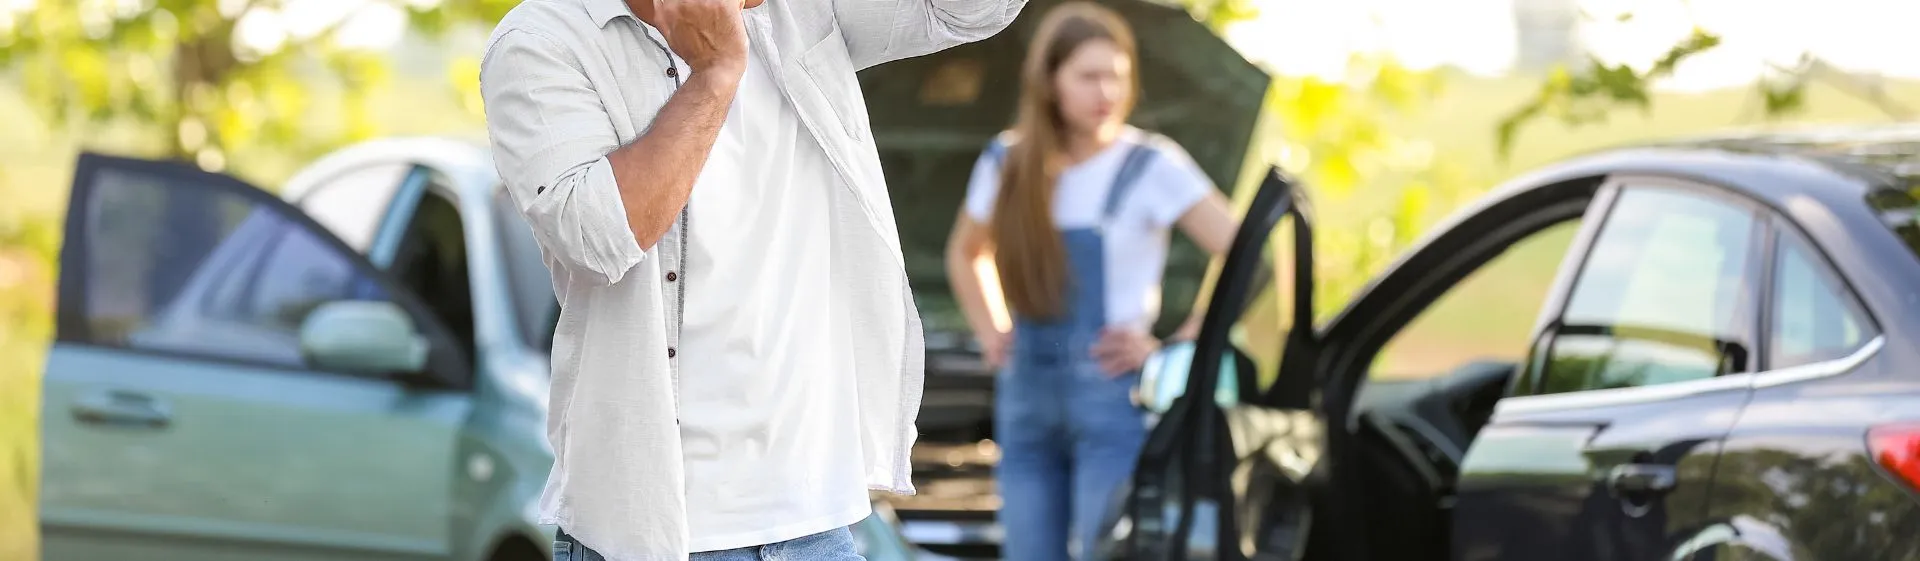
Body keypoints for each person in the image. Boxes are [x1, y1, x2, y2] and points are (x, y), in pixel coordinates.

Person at [478, 0, 1024, 559]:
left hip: (820, 526)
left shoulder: (803, 12)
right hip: (660, 535)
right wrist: (715, 74)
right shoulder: (540, 41)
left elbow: (972, 12)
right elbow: (597, 240)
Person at [943, 3, 1239, 559]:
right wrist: (992, 330)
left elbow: (1248, 256)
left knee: (1107, 551)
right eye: (1088, 76)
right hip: (1025, 399)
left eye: (1117, 77)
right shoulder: (1008, 161)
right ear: (1050, 82)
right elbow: (966, 252)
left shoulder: (1153, 165)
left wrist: (1180, 344)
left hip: (1114, 402)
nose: (1106, 91)